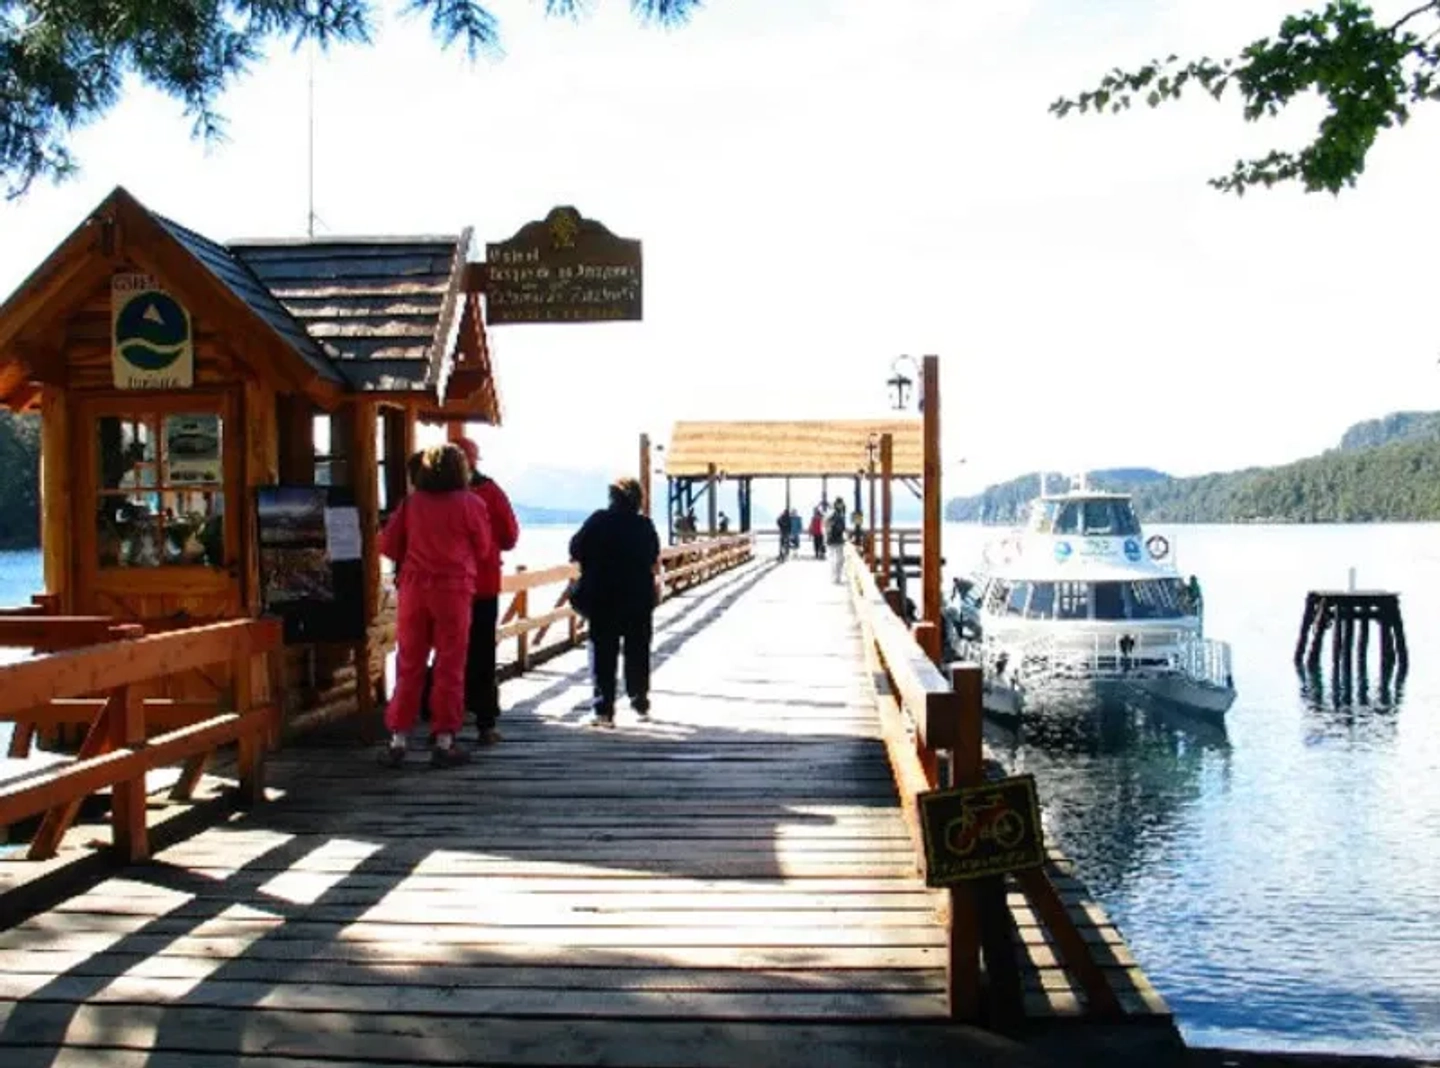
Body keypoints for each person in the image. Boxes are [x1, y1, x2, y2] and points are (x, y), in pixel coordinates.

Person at [378, 444, 493, 768]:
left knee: (409, 663)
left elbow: (388, 545)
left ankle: (398, 739)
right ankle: (444, 741)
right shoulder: (471, 503)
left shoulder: (412, 504)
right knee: (450, 666)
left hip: (415, 589)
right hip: (453, 590)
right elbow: (484, 547)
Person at [570, 477, 661, 728]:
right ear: (638, 500)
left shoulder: (598, 520)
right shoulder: (644, 525)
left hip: (603, 596)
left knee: (603, 651)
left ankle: (604, 709)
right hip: (637, 596)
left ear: (612, 499)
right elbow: (653, 556)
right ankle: (639, 701)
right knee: (637, 650)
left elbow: (575, 548)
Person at [825, 497, 848, 584]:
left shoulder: (841, 514)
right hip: (833, 540)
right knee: (835, 560)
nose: (840, 505)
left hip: (838, 540)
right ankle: (835, 578)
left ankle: (837, 577)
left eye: (841, 504)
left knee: (839, 560)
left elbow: (842, 528)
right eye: (839, 504)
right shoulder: (833, 514)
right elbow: (827, 526)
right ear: (836, 504)